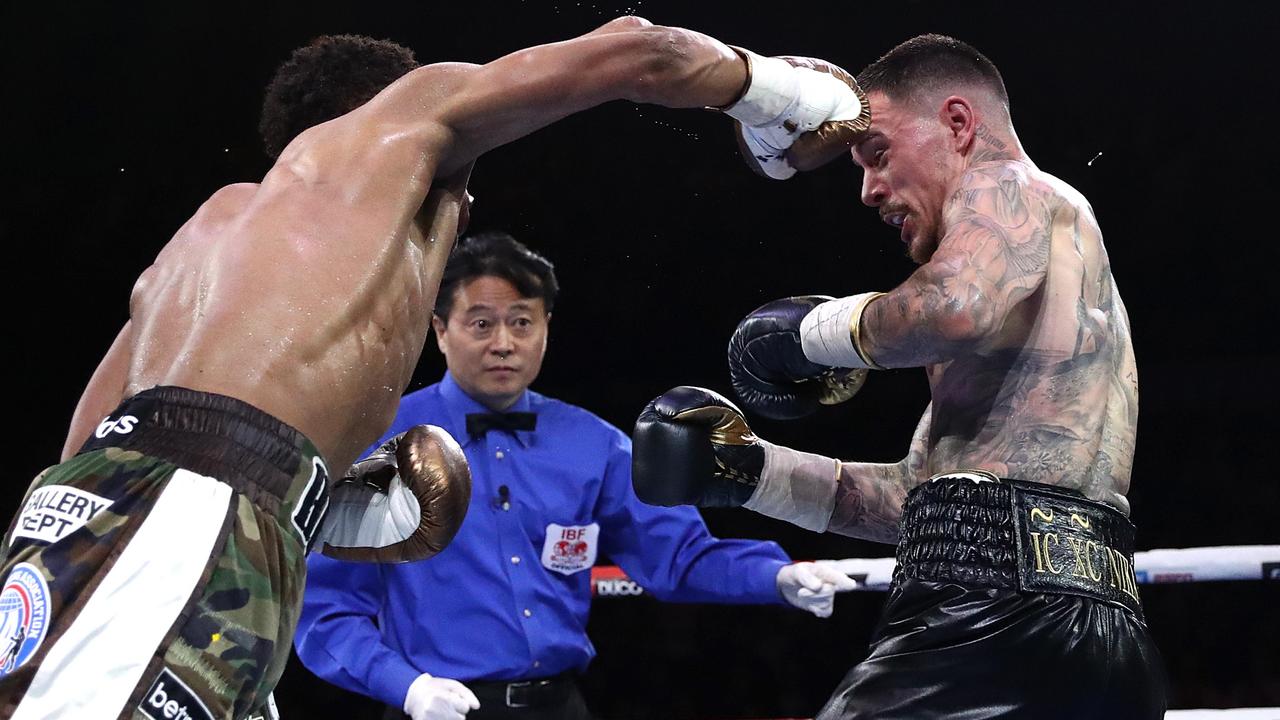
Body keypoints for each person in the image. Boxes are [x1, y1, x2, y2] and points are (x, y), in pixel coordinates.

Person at [0, 18, 874, 720]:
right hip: (193, 518)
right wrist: (781, 94)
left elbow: (82, 454)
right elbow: (639, 48)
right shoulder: (388, 130)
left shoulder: (207, 236)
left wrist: (310, 501)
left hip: (157, 515)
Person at [633, 34, 1168, 719]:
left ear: (957, 123)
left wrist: (808, 336)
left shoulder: (1011, 188)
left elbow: (951, 308)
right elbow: (925, 501)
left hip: (988, 621)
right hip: (1100, 632)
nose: (868, 190)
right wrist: (749, 473)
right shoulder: (1034, 286)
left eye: (877, 154)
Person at [294, 232, 857, 720]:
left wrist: (778, 577)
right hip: (437, 708)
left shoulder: (596, 445)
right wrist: (407, 686)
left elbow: (678, 557)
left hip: (560, 708)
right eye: (481, 323)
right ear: (439, 329)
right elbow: (325, 611)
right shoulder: (383, 443)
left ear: (546, 327)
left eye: (521, 322)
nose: (504, 343)